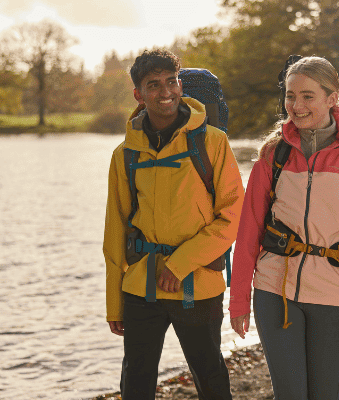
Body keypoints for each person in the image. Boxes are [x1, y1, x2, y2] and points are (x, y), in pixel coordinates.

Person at [229, 56, 339, 400]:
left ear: (332, 99)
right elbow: (248, 231)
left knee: (324, 394)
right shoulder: (273, 153)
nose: (296, 106)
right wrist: (239, 299)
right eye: (290, 96)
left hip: (335, 294)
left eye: (307, 96)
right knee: (289, 394)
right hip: (274, 291)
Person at [103, 49, 243, 400]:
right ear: (138, 94)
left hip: (199, 283)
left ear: (180, 85)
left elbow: (232, 216)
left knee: (211, 378)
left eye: (171, 81)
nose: (166, 91)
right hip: (141, 286)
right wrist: (114, 302)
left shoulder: (212, 142)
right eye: (154, 85)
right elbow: (115, 229)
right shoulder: (125, 153)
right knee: (135, 382)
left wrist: (180, 264)